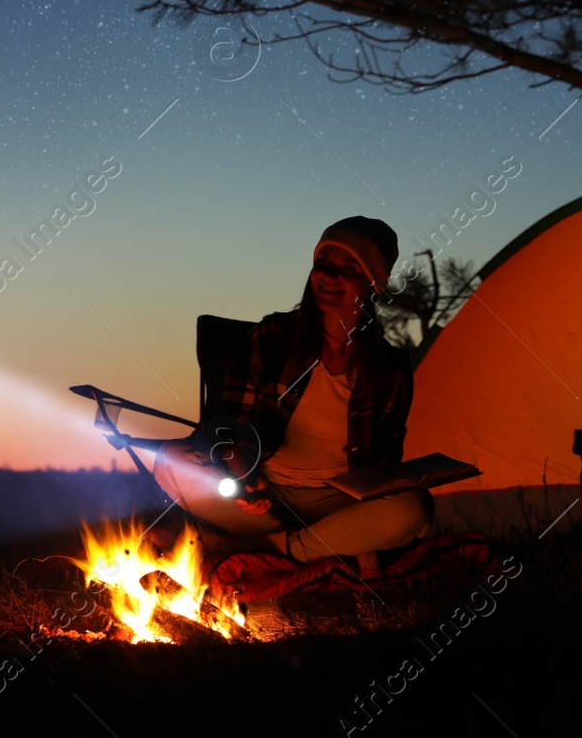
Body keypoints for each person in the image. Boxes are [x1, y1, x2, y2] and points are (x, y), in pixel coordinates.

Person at [152, 215, 432, 567]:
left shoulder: (389, 368)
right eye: (323, 264)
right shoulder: (273, 339)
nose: (329, 276)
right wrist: (241, 476)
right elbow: (228, 428)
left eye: (348, 268)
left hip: (341, 504)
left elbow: (386, 455)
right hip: (269, 497)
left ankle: (278, 550)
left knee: (414, 508)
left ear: (372, 282)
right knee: (170, 459)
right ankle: (309, 546)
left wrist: (395, 482)